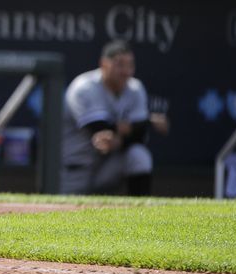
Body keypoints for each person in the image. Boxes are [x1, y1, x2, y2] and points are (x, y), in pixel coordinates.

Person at [60, 40, 163, 195]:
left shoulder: (135, 88)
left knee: (139, 155)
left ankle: (141, 214)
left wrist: (122, 138)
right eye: (119, 65)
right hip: (75, 170)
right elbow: (99, 128)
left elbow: (140, 134)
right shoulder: (84, 87)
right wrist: (142, 124)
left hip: (107, 167)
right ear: (104, 64)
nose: (126, 71)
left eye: (130, 65)